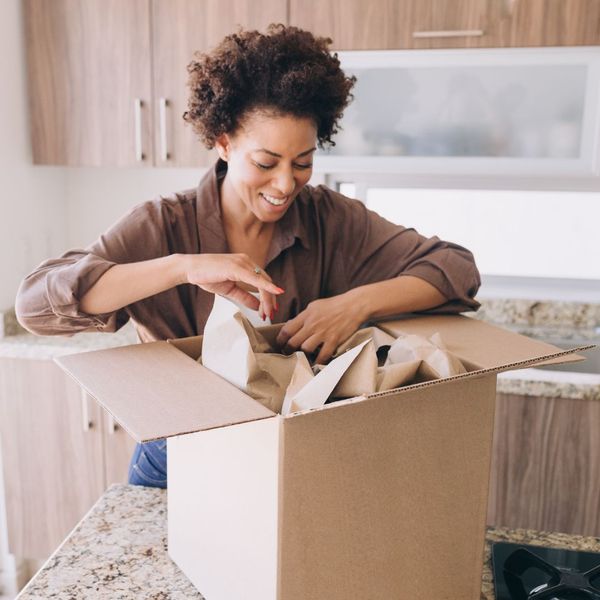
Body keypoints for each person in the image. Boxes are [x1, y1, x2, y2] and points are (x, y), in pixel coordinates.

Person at [15, 24, 481, 489]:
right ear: (223, 142)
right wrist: (183, 267)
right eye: (265, 162)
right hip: (179, 456)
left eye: (302, 162)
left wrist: (354, 304)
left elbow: (455, 269)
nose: (284, 185)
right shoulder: (163, 225)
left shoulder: (328, 219)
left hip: (294, 452)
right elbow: (35, 306)